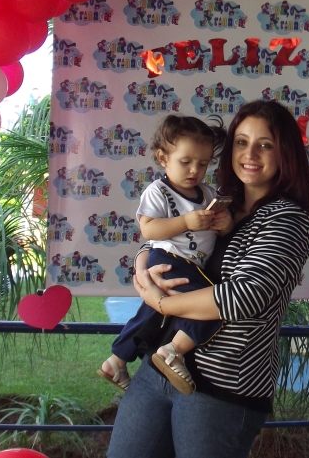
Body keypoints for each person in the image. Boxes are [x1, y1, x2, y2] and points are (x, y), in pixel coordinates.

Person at [107, 100, 309, 458]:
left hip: (223, 388)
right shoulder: (218, 205)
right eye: (242, 142)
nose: (250, 154)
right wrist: (143, 265)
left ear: (285, 153)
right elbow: (164, 241)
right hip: (158, 368)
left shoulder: (286, 219)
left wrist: (162, 303)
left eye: (265, 144)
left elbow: (244, 297)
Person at [98, 115, 231, 395]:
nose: (194, 170)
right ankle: (173, 351)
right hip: (170, 260)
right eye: (186, 161)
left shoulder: (208, 194)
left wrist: (224, 224)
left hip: (191, 265)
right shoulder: (158, 191)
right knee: (210, 307)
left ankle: (116, 361)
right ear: (163, 158)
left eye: (203, 164)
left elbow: (223, 230)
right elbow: (149, 229)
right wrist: (185, 222)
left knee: (150, 313)